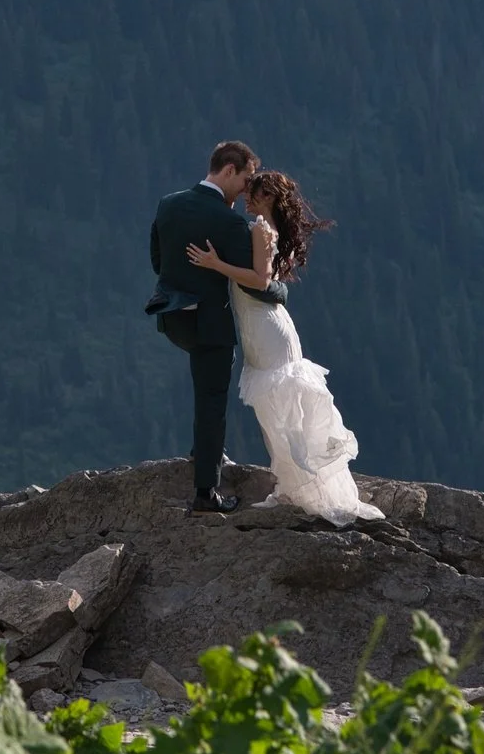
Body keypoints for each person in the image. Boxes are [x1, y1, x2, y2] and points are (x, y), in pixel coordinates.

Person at [185, 167, 382, 526]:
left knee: (283, 411)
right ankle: (296, 487)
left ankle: (308, 489)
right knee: (277, 413)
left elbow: (260, 281)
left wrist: (216, 264)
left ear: (270, 198)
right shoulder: (267, 229)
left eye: (255, 194)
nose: (248, 198)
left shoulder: (260, 229)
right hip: (262, 328)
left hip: (266, 329)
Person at [147, 142, 271, 512]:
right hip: (210, 323)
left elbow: (158, 261)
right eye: (247, 179)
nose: (248, 188)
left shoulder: (168, 203)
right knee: (212, 399)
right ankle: (206, 493)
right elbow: (253, 280)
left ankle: (202, 451)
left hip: (173, 317)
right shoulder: (228, 221)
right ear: (229, 170)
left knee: (204, 391)